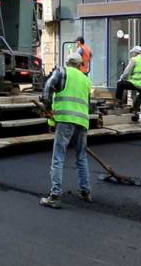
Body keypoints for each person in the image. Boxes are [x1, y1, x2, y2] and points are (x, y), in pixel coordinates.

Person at [39, 53, 92, 209]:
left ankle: (55, 195)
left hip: (65, 121)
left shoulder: (62, 72)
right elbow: (87, 102)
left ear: (67, 62)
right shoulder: (86, 79)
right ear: (79, 65)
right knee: (81, 157)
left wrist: (48, 109)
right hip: (82, 121)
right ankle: (85, 192)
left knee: (59, 156)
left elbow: (47, 89)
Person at [115, 46, 141, 128]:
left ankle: (119, 102)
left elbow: (127, 71)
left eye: (132, 53)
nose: (132, 54)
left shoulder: (134, 60)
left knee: (120, 84)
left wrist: (121, 78)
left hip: (136, 83)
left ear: (136, 53)